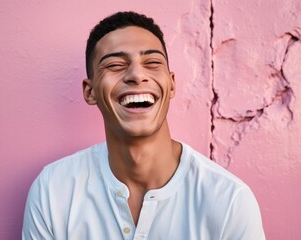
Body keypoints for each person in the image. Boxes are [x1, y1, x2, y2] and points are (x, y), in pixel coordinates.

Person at [22, 11, 265, 239]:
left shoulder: (230, 201)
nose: (137, 75)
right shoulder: (53, 191)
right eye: (115, 65)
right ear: (90, 91)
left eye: (152, 63)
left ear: (171, 84)